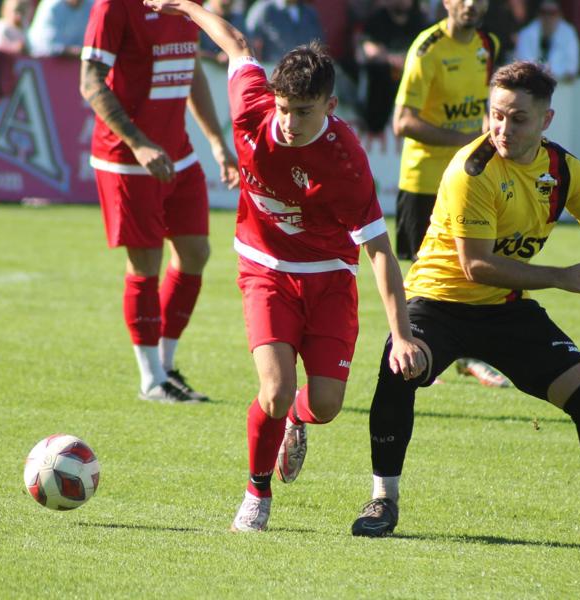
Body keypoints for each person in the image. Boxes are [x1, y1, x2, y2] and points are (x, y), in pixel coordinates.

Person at [349, 61, 580, 544]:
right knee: (398, 366)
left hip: (506, 309)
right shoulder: (473, 169)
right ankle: (384, 500)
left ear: (545, 120)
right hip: (438, 302)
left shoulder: (563, 170)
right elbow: (476, 267)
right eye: (496, 115)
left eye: (518, 118)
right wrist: (560, 277)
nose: (503, 128)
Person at [143, 0, 426, 533]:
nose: (290, 122)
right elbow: (236, 45)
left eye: (304, 111)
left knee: (324, 404)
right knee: (272, 391)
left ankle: (298, 420)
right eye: (284, 108)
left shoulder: (346, 162)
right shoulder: (252, 108)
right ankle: (256, 493)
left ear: (331, 105)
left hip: (328, 278)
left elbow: (380, 250)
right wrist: (185, 7)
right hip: (265, 268)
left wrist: (402, 335)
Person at [80, 0, 239, 403]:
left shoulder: (187, 7)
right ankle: (151, 379)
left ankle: (167, 366)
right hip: (128, 157)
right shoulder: (114, 7)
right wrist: (138, 143)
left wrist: (218, 142)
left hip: (178, 150)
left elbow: (191, 71)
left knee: (195, 252)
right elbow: (90, 81)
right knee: (145, 262)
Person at [392, 0, 508, 388]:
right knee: (417, 274)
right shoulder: (428, 48)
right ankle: (411, 350)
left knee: (468, 268)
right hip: (424, 179)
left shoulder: (488, 45)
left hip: (467, 179)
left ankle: (463, 355)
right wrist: (465, 141)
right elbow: (402, 121)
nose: (472, 4)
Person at [354, 0, 428, 135]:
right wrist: (392, 59)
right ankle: (372, 124)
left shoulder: (420, 20)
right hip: (383, 79)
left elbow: (428, 51)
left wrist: (404, 60)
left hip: (414, 76)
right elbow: (369, 49)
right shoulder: (377, 19)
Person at [513, 0, 580, 81]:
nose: (547, 17)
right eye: (544, 12)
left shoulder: (569, 34)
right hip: (532, 85)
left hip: (561, 86)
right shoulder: (526, 34)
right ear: (538, 14)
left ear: (560, 15)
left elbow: (572, 69)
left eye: (552, 13)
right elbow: (523, 65)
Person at [244, 0, 325, 63]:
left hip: (305, 77)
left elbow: (319, 46)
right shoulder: (263, 9)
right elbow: (252, 45)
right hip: (273, 76)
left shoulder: (310, 13)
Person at [198, 0, 245, 65]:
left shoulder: (238, 19)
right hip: (203, 68)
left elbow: (246, 48)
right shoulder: (197, 17)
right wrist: (215, 57)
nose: (227, 2)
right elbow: (191, 51)